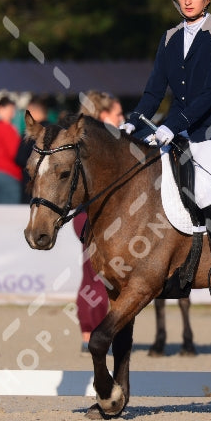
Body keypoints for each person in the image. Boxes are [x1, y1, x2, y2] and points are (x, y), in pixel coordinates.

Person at [121, 0, 211, 298]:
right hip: (175, 129)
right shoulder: (169, 38)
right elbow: (154, 90)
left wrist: (172, 125)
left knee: (203, 192)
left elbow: (208, 95)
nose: (187, 0)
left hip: (210, 131)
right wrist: (133, 123)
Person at [74, 91, 124, 354]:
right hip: (94, 212)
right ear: (103, 116)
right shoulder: (99, 144)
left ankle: (90, 330)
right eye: (118, 114)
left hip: (90, 213)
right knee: (97, 276)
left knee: (91, 273)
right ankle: (92, 330)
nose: (123, 118)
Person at [16, 98, 50, 204]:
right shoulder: (57, 131)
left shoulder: (30, 134)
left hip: (30, 185)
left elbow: (20, 158)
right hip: (51, 187)